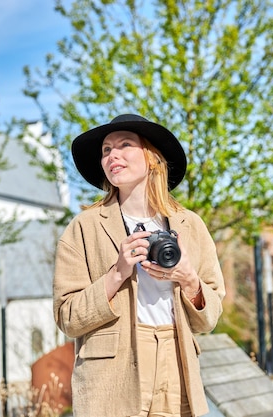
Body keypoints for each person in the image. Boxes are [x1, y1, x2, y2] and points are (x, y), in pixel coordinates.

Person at [53, 114, 226, 417]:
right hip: (112, 373)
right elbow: (67, 317)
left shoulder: (190, 225)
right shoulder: (83, 228)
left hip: (177, 360)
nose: (112, 155)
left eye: (124, 145)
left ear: (151, 157)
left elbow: (209, 318)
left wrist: (189, 280)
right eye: (106, 150)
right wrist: (117, 272)